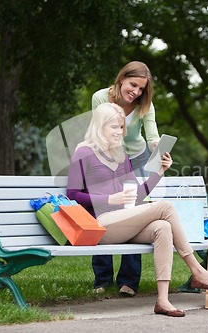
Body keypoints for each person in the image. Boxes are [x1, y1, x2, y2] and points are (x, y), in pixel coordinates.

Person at [67, 103, 208, 317]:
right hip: (100, 224)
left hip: (122, 223)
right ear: (100, 126)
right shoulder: (84, 152)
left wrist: (159, 172)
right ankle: (196, 269)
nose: (119, 132)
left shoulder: (120, 155)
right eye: (114, 127)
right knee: (165, 207)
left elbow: (137, 195)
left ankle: (162, 300)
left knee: (162, 227)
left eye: (121, 127)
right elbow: (72, 195)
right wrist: (109, 198)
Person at [90, 61, 159, 297]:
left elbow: (152, 134)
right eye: (133, 85)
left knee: (133, 215)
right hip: (107, 157)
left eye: (141, 89)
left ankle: (129, 280)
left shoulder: (144, 105)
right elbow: (101, 130)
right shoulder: (100, 98)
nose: (136, 92)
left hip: (137, 160)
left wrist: (158, 145)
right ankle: (102, 278)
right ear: (121, 79)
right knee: (103, 213)